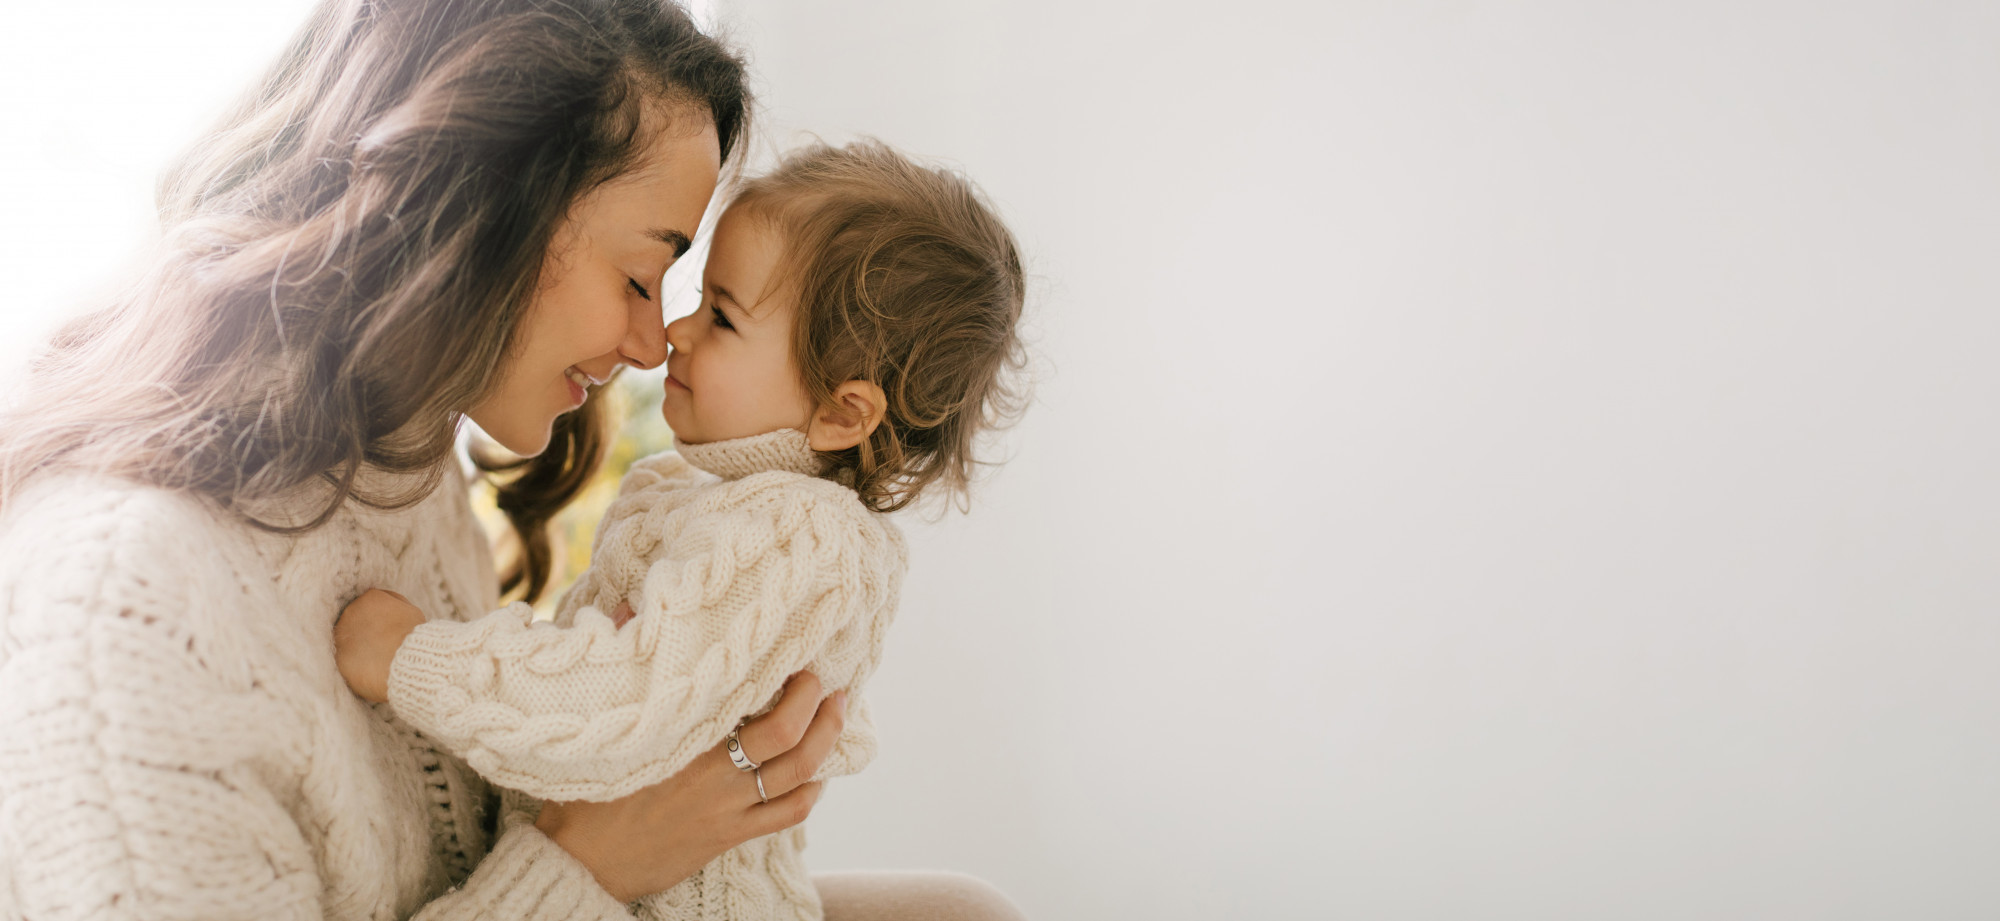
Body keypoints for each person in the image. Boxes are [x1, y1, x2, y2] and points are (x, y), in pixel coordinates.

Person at [0, 1, 1023, 918]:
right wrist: (595, 866)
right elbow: (584, 819)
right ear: (481, 218)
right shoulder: (128, 611)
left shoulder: (402, 476)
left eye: (700, 302)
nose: (652, 341)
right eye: (644, 275)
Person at [331, 140, 1026, 921]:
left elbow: (624, 703)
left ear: (842, 411)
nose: (675, 335)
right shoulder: (712, 498)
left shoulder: (804, 532)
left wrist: (413, 659)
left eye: (722, 316)